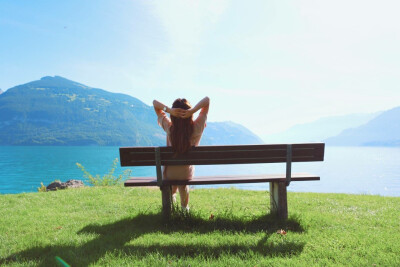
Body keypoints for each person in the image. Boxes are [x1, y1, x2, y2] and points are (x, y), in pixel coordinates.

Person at [153, 97, 210, 211]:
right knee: (183, 180)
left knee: (174, 173)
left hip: (169, 174)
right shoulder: (197, 128)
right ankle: (184, 208)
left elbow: (155, 104)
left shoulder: (169, 128)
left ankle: (172, 202)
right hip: (185, 174)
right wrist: (192, 111)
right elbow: (207, 101)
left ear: (173, 116)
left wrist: (168, 110)